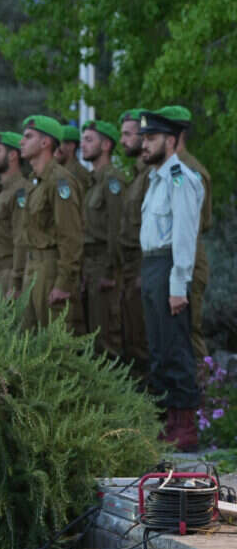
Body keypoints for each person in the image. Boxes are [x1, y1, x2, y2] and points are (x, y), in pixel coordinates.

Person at [138, 107, 205, 451]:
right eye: (144, 138)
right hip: (152, 265)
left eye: (151, 138)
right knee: (159, 348)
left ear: (172, 139)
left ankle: (185, 426)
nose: (144, 144)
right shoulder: (156, 179)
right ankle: (168, 420)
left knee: (176, 348)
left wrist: (178, 286)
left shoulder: (181, 178)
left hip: (169, 266)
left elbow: (183, 235)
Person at [16, 116, 83, 330]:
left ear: (45, 143)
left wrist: (64, 283)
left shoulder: (59, 181)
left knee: (54, 344)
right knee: (29, 342)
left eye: (28, 137)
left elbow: (70, 235)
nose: (21, 142)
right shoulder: (35, 182)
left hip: (50, 269)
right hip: (32, 266)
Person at [79, 120, 126, 357]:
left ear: (106, 145)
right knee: (91, 335)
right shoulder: (93, 182)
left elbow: (117, 229)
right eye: (83, 140)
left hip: (104, 265)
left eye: (89, 140)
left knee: (106, 336)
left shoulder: (113, 181)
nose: (83, 145)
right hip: (89, 265)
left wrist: (110, 271)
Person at [175, 112, 212, 370]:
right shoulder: (162, 170)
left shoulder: (192, 172)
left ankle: (209, 402)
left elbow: (201, 222)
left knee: (191, 330)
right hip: (172, 260)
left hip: (190, 260)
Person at [118, 109, 151, 380]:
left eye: (128, 134)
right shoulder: (136, 176)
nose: (123, 140)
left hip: (145, 264)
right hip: (130, 267)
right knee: (134, 338)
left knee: (147, 339)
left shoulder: (153, 175)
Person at [0, 132, 27, 297]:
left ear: (12, 155)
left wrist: (16, 281)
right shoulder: (0, 191)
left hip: (11, 275)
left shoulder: (20, 191)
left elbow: (21, 240)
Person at [54, 124, 93, 201]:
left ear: (71, 146)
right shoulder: (59, 171)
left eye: (59, 144)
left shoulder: (78, 174)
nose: (55, 149)